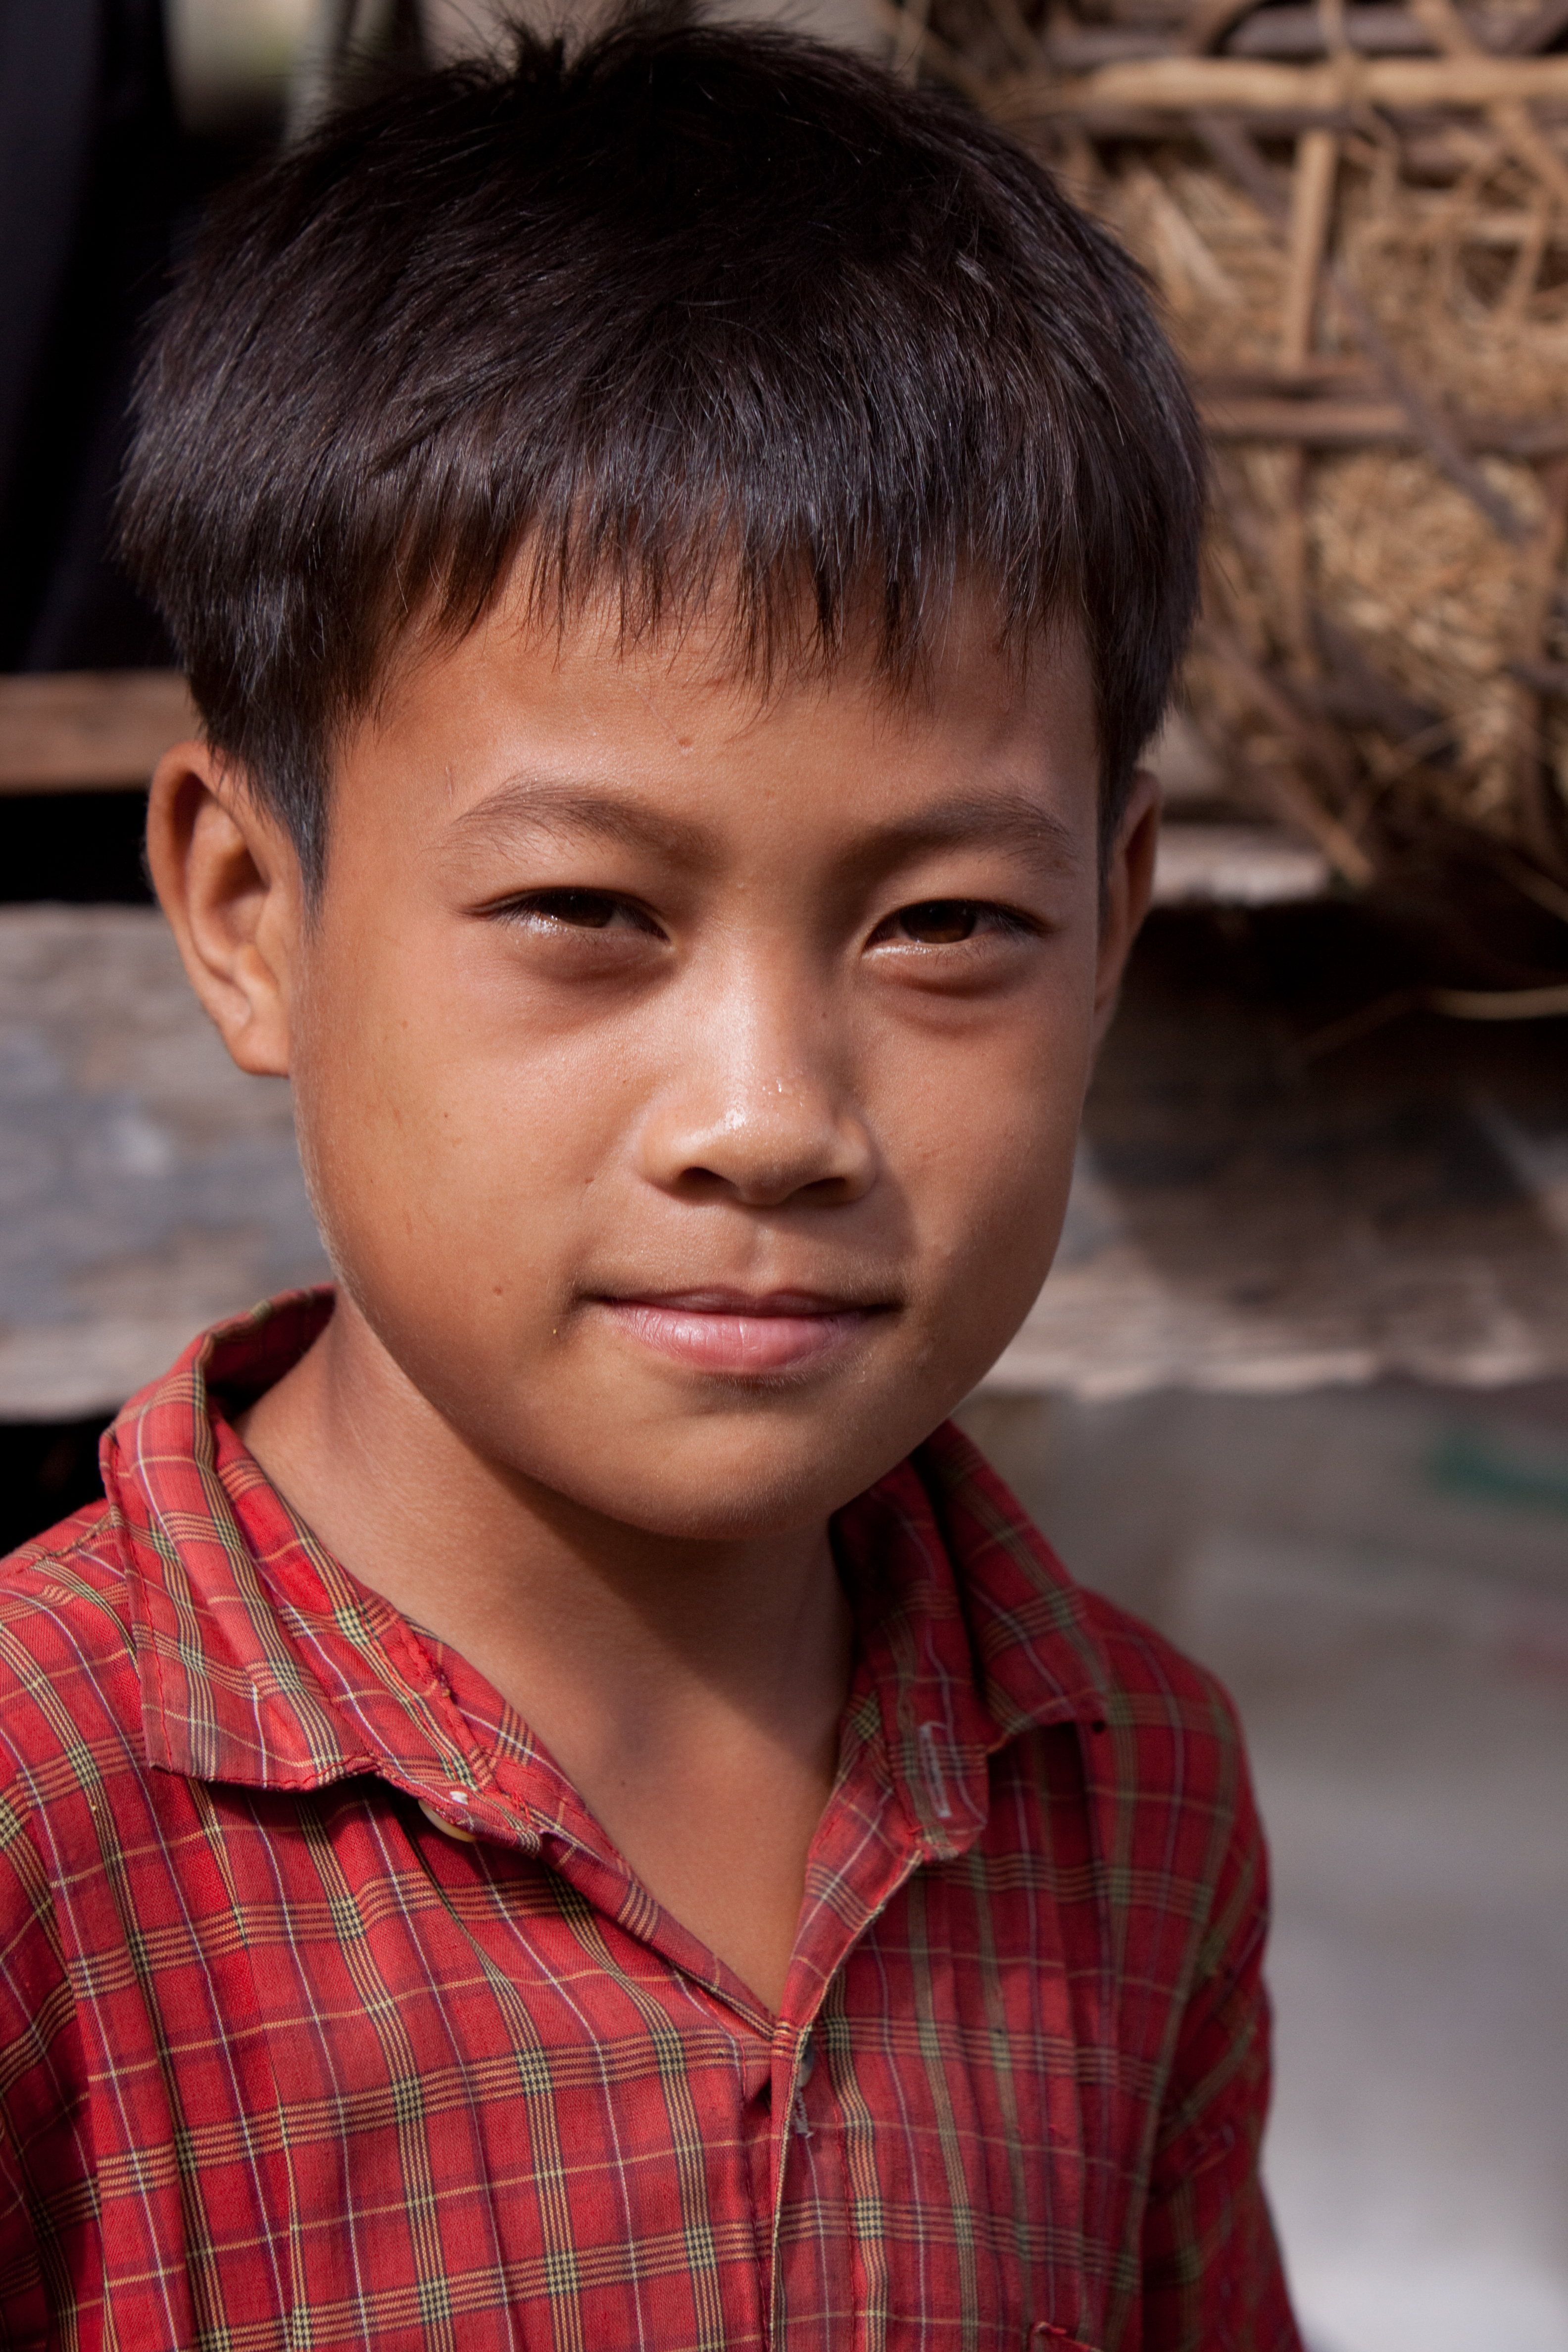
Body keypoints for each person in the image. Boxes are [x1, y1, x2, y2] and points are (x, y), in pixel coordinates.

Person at [0, 12, 1302, 2346]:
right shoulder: (40, 1823)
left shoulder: (1143, 1802)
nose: (772, 1115)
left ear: (1114, 925)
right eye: (590, 914)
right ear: (243, 909)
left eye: (948, 931)